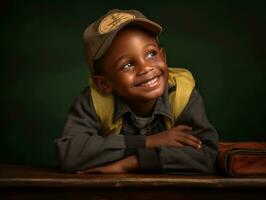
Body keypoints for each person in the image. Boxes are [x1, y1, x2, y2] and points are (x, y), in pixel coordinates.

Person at [54, 9, 219, 174]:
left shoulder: (180, 93)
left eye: (151, 54)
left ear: (164, 57)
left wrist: (131, 163)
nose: (146, 68)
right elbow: (70, 153)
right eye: (127, 65)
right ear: (104, 84)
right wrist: (148, 142)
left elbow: (206, 155)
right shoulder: (95, 101)